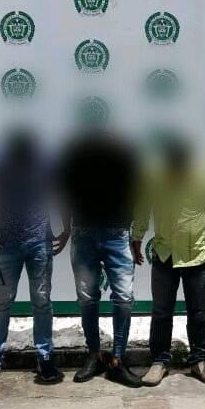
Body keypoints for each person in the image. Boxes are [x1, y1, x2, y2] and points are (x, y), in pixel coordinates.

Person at [131, 137, 205, 386]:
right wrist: (137, 237)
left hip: (197, 256)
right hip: (164, 254)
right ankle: (159, 362)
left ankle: (199, 361)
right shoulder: (154, 178)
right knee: (161, 312)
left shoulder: (204, 178)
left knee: (199, 313)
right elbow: (143, 209)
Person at [0, 130, 67, 385]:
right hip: (6, 245)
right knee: (1, 303)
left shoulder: (46, 164)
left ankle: (45, 356)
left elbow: (61, 194)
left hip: (40, 244)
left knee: (42, 302)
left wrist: (67, 227)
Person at [58, 128, 142, 387]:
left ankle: (117, 359)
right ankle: (94, 355)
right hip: (83, 234)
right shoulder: (75, 159)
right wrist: (67, 229)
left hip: (117, 234)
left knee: (124, 298)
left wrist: (131, 229)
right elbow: (65, 195)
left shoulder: (125, 158)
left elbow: (138, 193)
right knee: (87, 299)